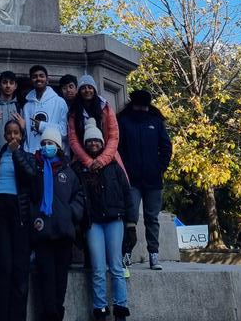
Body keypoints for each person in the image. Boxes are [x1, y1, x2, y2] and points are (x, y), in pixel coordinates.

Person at [75, 119, 136, 320]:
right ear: (85, 144)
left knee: (116, 267)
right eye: (90, 141)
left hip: (114, 220)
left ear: (102, 143)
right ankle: (100, 309)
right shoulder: (80, 169)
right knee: (98, 268)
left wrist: (131, 223)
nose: (93, 144)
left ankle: (120, 308)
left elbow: (127, 195)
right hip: (93, 224)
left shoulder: (114, 166)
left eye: (97, 141)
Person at [0, 119, 38, 321]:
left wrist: (16, 153)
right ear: (5, 136)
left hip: (20, 214)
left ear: (22, 136)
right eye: (9, 133)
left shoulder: (27, 156)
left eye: (16, 133)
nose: (13, 136)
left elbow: (31, 176)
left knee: (20, 269)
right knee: (3, 267)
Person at [30, 125, 85, 321]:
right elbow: (29, 197)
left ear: (58, 146)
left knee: (61, 279)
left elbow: (79, 195)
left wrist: (71, 213)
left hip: (63, 232)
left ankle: (56, 313)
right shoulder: (35, 168)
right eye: (44, 143)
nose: (46, 147)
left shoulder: (68, 171)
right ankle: (48, 315)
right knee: (46, 277)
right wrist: (33, 214)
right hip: (43, 232)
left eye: (50, 143)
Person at [117, 89, 172, 270]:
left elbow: (166, 147)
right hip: (131, 179)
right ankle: (126, 253)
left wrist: (159, 168)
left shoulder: (156, 123)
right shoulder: (124, 122)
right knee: (129, 217)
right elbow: (119, 148)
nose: (141, 108)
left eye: (144, 105)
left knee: (152, 218)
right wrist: (125, 170)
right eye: (138, 104)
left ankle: (154, 254)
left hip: (153, 179)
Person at [67, 75, 121, 171]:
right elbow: (73, 140)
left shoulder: (106, 108)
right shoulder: (74, 113)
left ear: (94, 90)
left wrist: (102, 160)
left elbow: (114, 136)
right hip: (82, 161)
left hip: (108, 159)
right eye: (83, 88)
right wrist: (88, 162)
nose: (87, 90)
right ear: (79, 91)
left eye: (90, 87)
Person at [22, 65, 68, 154]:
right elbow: (27, 135)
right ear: (31, 81)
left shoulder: (59, 102)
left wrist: (42, 126)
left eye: (41, 76)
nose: (38, 79)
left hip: (52, 155)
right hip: (31, 155)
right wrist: (22, 128)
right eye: (34, 77)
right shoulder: (27, 106)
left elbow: (64, 132)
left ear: (47, 79)